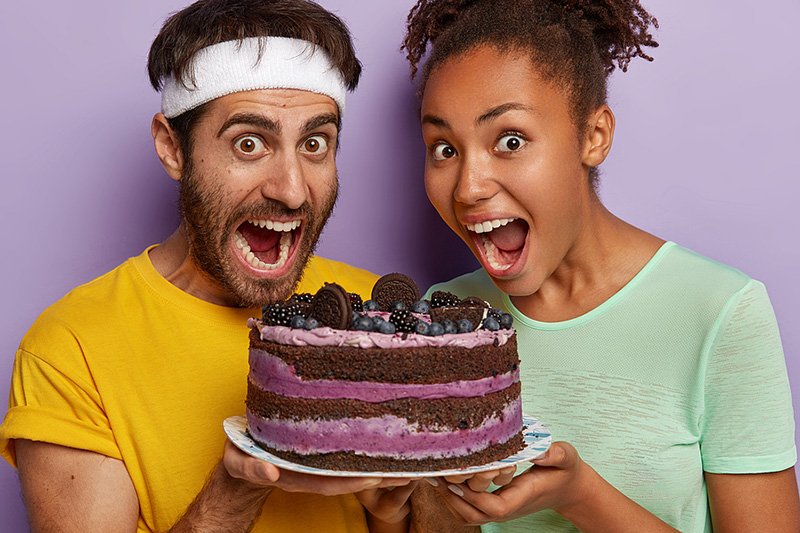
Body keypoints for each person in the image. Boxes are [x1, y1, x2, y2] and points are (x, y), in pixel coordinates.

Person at [0, 0, 415, 531]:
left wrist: (394, 515)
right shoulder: (72, 349)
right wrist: (236, 489)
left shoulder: (377, 315)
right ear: (173, 148)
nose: (291, 191)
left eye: (314, 144)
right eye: (249, 143)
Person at [398, 0, 800, 531]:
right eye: (444, 148)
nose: (469, 187)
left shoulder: (720, 314)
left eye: (510, 141)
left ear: (594, 136)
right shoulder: (439, 321)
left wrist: (582, 496)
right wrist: (390, 513)